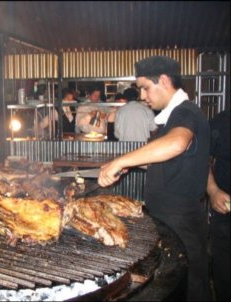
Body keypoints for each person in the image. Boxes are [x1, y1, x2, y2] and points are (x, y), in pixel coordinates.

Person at [98, 56, 212, 301]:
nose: (143, 95)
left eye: (145, 87)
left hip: (182, 221)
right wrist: (129, 164)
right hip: (169, 218)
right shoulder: (170, 118)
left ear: (163, 80)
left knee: (191, 288)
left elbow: (178, 144)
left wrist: (122, 160)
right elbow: (174, 159)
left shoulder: (185, 112)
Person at [206, 110, 230, 302]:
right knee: (224, 269)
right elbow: (204, 161)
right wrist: (213, 190)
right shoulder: (222, 121)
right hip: (226, 210)